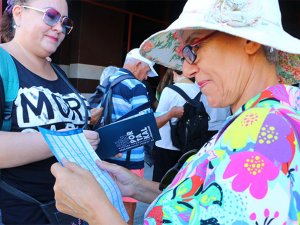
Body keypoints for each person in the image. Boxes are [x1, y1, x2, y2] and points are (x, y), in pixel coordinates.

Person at [51, 0, 300, 224]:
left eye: (192, 50)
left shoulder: (266, 131)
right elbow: (214, 203)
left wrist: (96, 210)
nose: (188, 70)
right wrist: (137, 187)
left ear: (250, 40)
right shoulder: (262, 120)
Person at [0, 0, 99, 224]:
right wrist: (68, 140)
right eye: (51, 16)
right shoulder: (3, 63)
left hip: (72, 212)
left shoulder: (58, 71)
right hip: (21, 214)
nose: (59, 28)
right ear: (19, 14)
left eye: (65, 22)